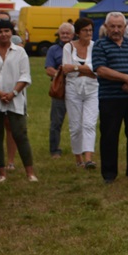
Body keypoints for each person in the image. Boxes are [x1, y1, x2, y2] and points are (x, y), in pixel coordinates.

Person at [0, 18, 37, 183]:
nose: (3, 34)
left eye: (6, 31)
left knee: (20, 134)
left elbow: (25, 75)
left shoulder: (20, 52)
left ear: (12, 32)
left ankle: (30, 173)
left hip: (15, 99)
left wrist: (13, 93)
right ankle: (1, 173)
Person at [93, 11, 128, 184]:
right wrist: (127, 78)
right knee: (109, 135)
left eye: (119, 26)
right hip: (110, 97)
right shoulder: (100, 45)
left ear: (125, 27)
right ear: (106, 27)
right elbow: (101, 69)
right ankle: (109, 174)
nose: (116, 30)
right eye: (112, 26)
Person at [61, 18, 98, 170]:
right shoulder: (68, 47)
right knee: (75, 126)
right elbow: (66, 69)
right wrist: (87, 69)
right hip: (73, 90)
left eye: (90, 30)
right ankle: (78, 157)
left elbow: (97, 70)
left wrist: (76, 68)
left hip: (92, 89)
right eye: (85, 30)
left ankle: (88, 159)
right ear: (78, 32)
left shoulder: (96, 47)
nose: (88, 33)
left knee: (89, 124)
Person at [43, 22, 74, 158]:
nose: (65, 35)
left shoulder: (77, 48)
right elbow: (48, 69)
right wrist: (60, 75)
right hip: (60, 89)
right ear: (59, 34)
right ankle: (54, 150)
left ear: (73, 35)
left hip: (77, 88)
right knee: (56, 122)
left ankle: (81, 149)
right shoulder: (53, 49)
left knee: (79, 121)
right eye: (63, 33)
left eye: (68, 33)